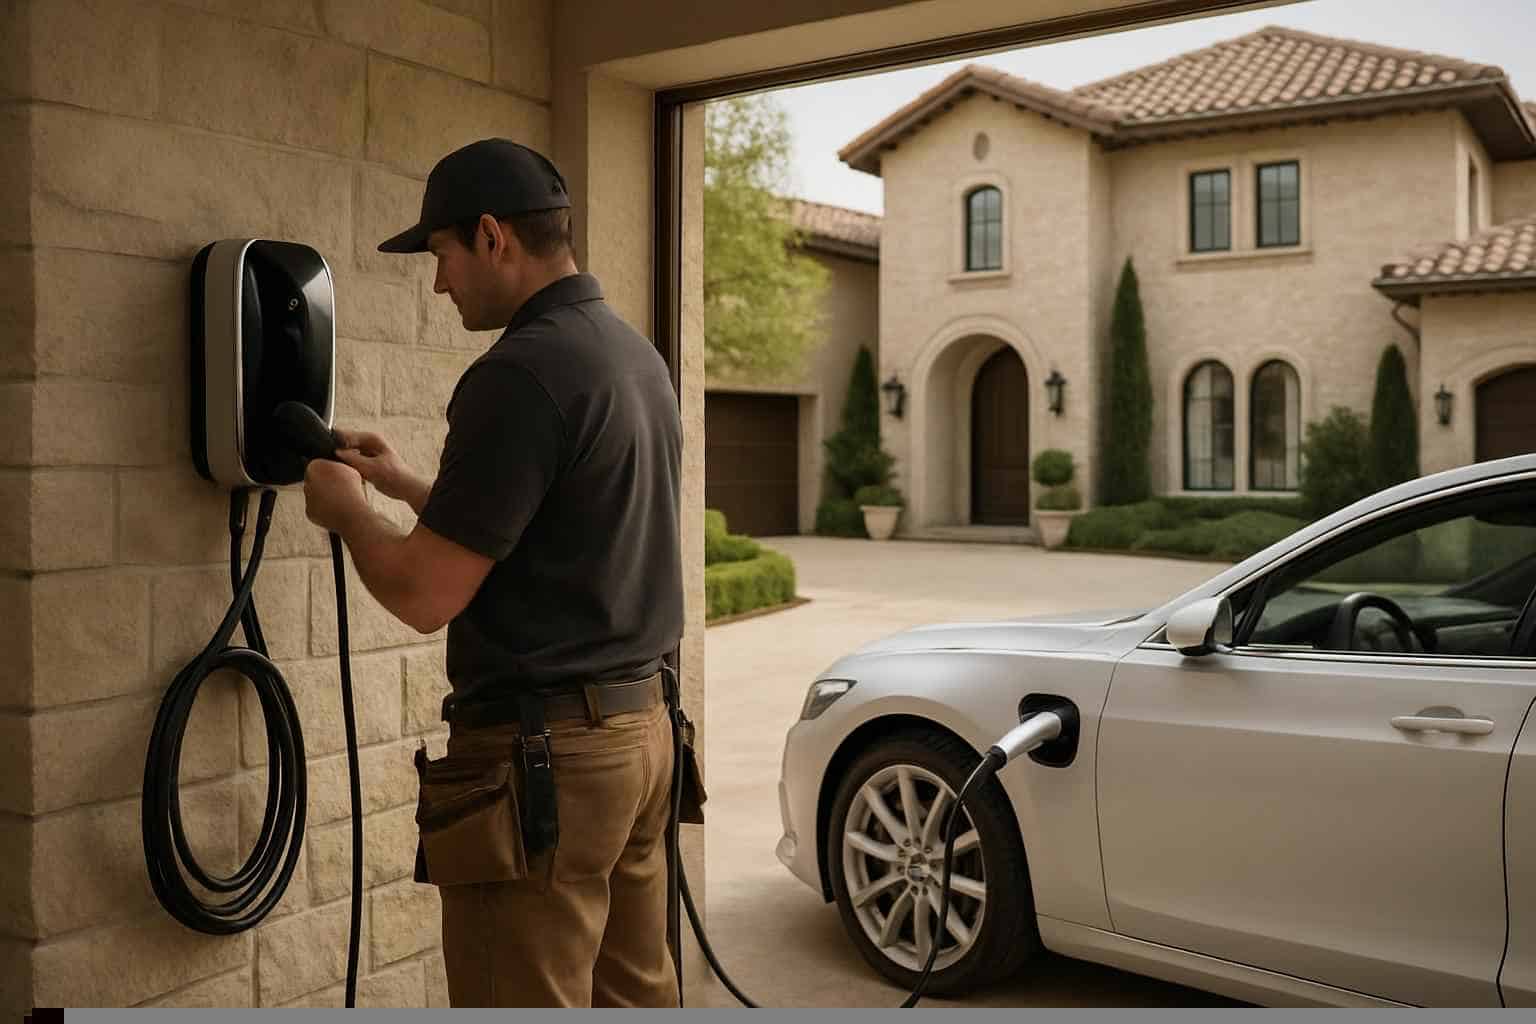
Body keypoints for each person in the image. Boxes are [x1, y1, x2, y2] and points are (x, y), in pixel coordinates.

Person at [302, 137, 685, 1008]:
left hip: (550, 767)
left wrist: (349, 513)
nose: (439, 285)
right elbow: (554, 522)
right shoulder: (629, 356)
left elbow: (424, 595)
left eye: (439, 256)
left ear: (489, 236)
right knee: (635, 998)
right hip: (642, 741)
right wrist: (402, 485)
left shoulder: (517, 375)